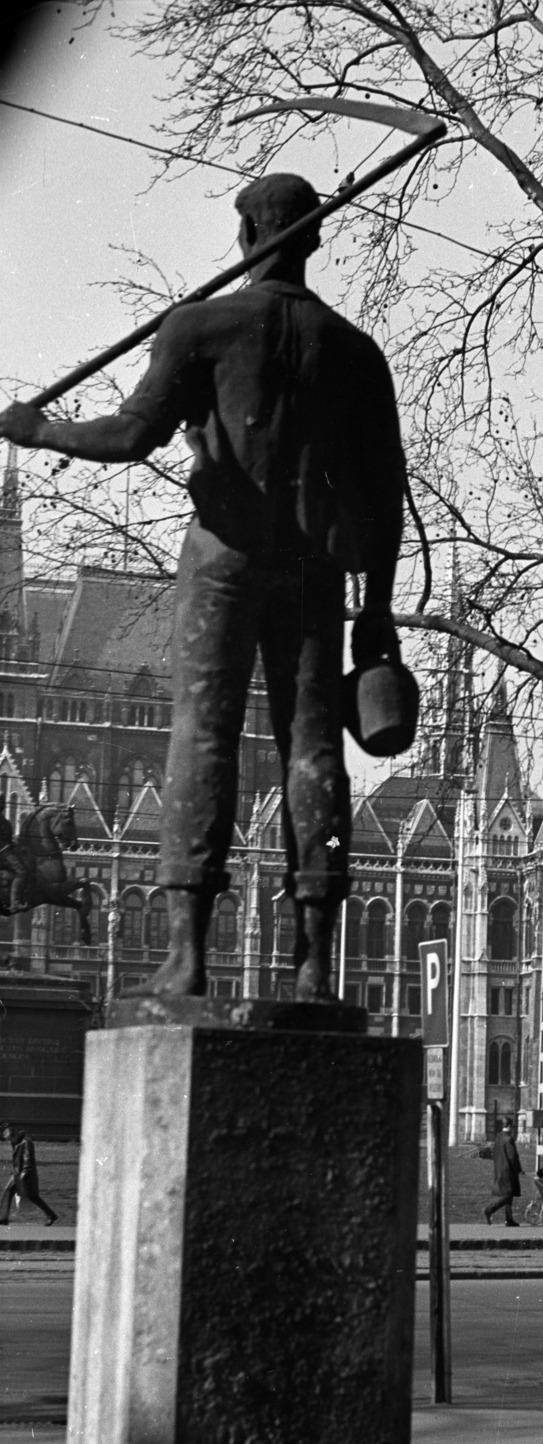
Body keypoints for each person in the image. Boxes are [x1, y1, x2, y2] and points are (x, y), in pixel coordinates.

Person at [0, 173, 404, 1000]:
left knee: (203, 738)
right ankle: (316, 967)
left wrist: (42, 431)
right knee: (313, 748)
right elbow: (385, 493)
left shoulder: (202, 326)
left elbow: (132, 433)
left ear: (250, 237)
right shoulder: (356, 352)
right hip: (315, 569)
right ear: (314, 238)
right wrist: (379, 614)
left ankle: (185, 956)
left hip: (222, 554)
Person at [0, 1125, 58, 1226]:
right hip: (18, 1173)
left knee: (32, 1196)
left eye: (10, 1139)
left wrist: (23, 1175)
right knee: (8, 1191)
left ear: (15, 1136)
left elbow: (28, 1159)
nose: (9, 1142)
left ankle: (51, 1215)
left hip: (25, 1174)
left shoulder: (26, 1142)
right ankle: (3, 1218)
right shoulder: (16, 1141)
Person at [483, 1117, 523, 1227]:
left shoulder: (498, 1137)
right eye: (513, 1127)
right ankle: (489, 1209)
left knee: (507, 1194)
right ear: (509, 1126)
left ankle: (509, 1219)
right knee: (508, 1194)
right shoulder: (509, 1139)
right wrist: (518, 1169)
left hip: (499, 1169)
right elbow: (512, 1157)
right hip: (508, 1171)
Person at [0, 799, 29, 913]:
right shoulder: (3, 821)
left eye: (2, 802)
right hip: (3, 853)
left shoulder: (4, 821)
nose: (3, 805)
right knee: (21, 871)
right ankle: (15, 903)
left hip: (5, 850)